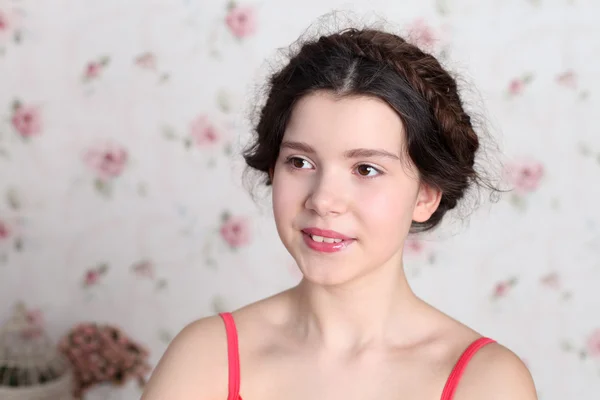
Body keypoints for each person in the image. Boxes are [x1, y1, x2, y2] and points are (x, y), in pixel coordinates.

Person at [141, 24, 537, 400]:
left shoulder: (487, 382)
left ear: (426, 196)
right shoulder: (206, 356)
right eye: (300, 162)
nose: (323, 200)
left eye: (366, 169)